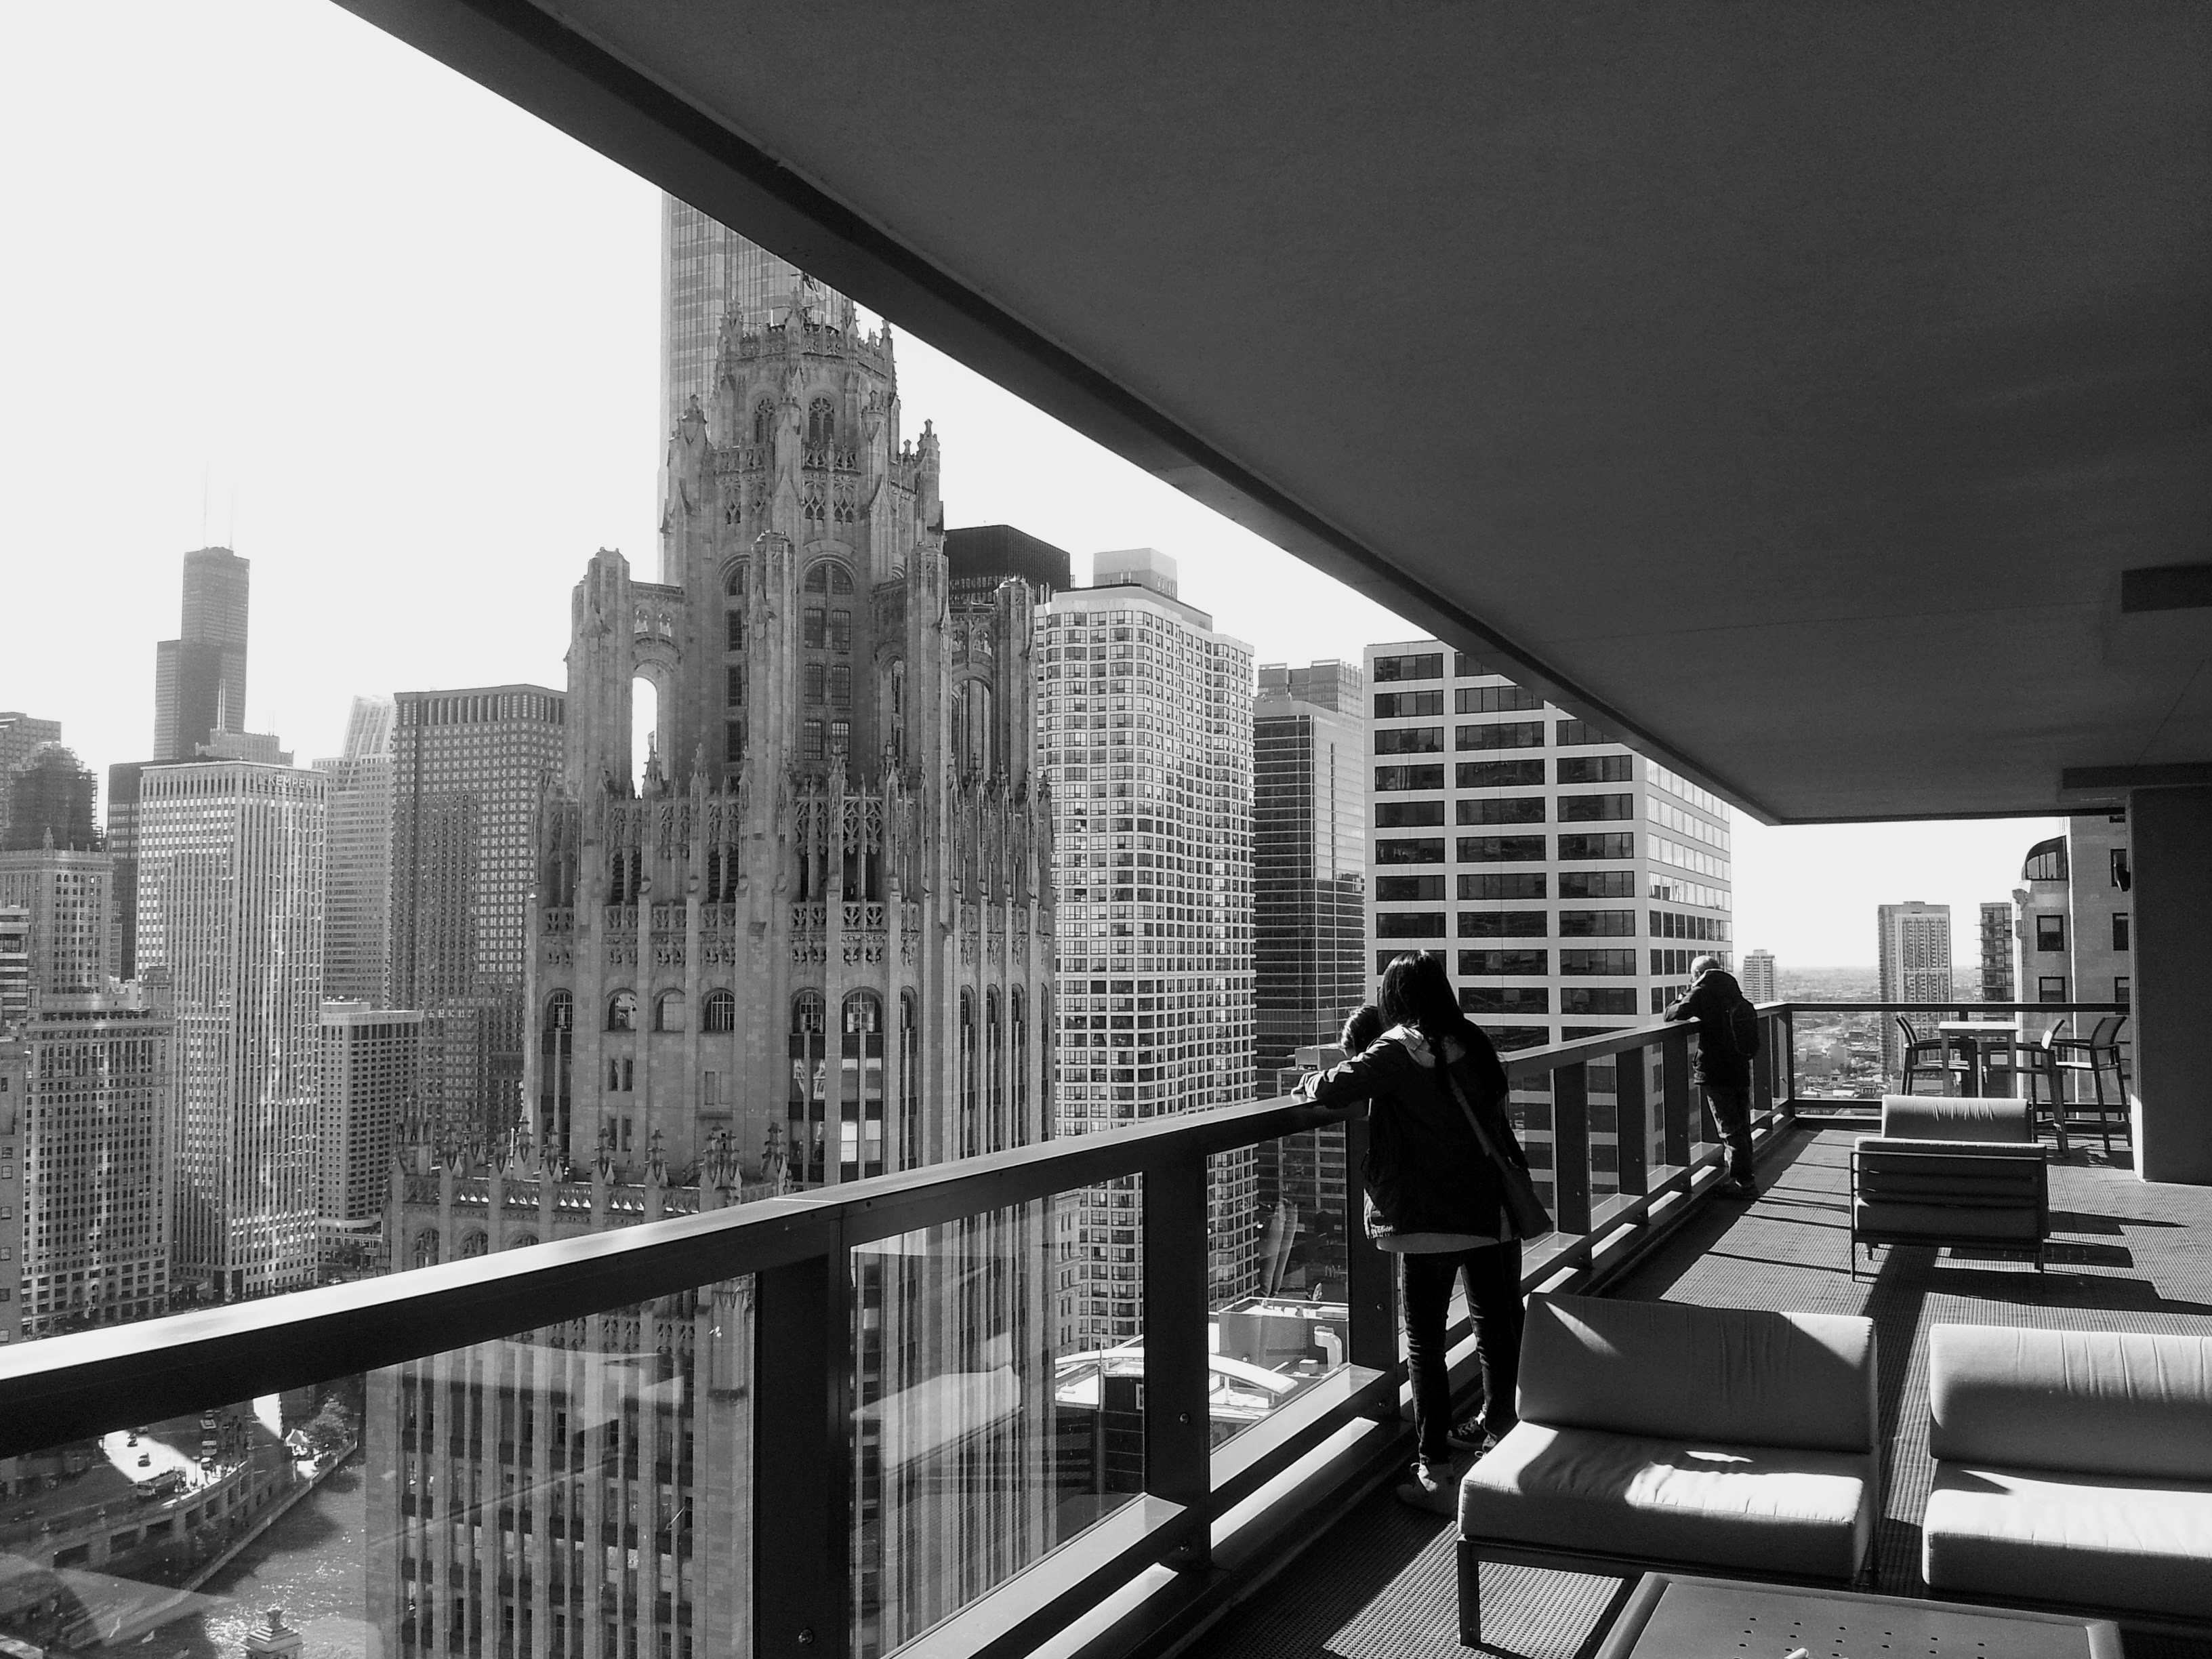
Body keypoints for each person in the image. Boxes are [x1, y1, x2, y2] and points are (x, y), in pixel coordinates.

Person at [1295, 951, 1530, 1513]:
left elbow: (1334, 1087)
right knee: (1496, 1325)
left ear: (1395, 998)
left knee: (1424, 1342)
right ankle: (1505, 1437)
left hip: (1428, 1218)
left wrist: (1309, 1078)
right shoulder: (1472, 1040)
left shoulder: (1402, 1046)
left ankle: (1436, 1473)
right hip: (1490, 1212)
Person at [1664, 954, 1759, 1196]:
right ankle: (1746, 1176)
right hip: (1739, 1066)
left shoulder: (1704, 991)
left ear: (1697, 974)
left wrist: (1683, 995)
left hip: (1717, 1070)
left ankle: (1743, 1183)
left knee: (1728, 1127)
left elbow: (1673, 1013)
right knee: (1741, 1123)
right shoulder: (1732, 988)